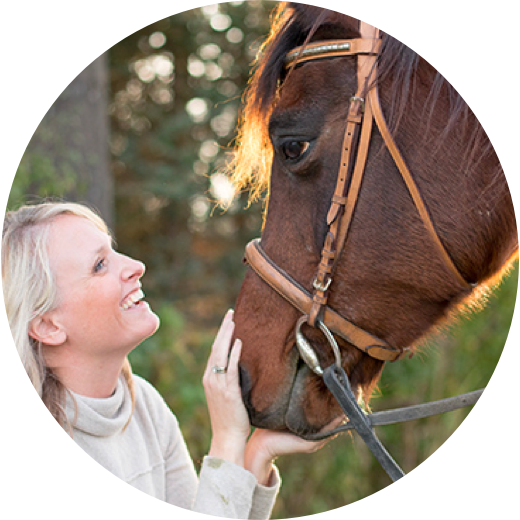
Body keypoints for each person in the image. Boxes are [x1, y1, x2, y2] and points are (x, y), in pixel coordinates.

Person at [2, 202, 335, 519]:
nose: (135, 266)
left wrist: (256, 456)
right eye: (100, 265)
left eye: (113, 250)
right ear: (48, 325)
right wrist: (226, 439)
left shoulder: (142, 405)